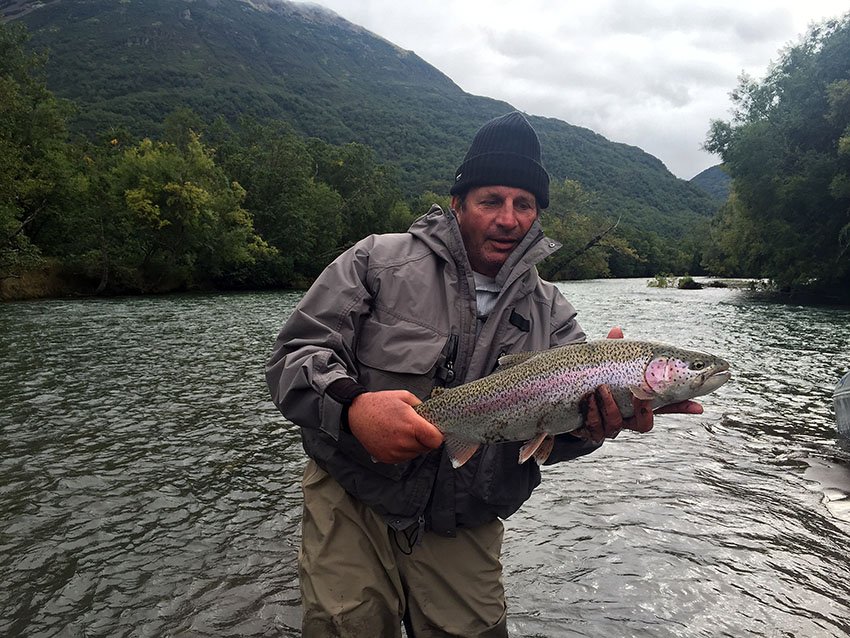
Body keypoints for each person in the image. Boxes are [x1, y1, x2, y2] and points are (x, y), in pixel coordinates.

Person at [265, 111, 702, 637]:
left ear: (537, 214)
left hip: (464, 516)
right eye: (491, 200)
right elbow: (295, 354)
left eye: (524, 204)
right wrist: (353, 408)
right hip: (351, 493)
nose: (508, 219)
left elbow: (551, 442)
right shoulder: (377, 262)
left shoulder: (554, 316)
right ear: (458, 203)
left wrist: (594, 427)